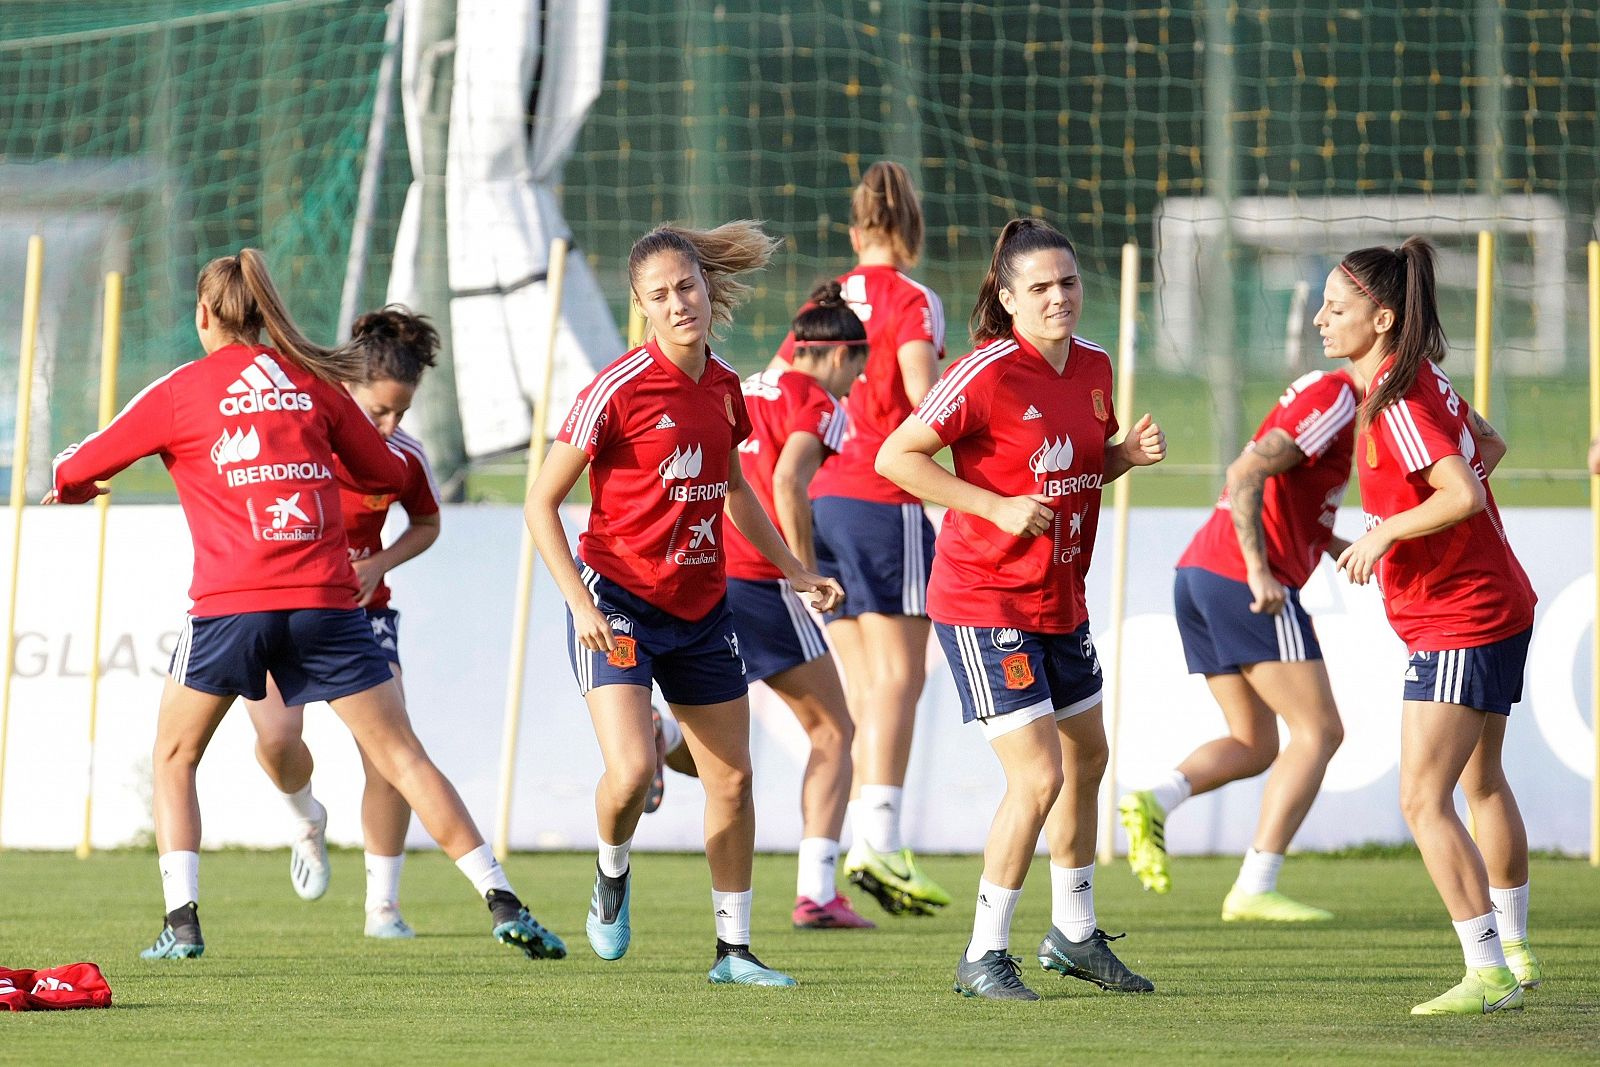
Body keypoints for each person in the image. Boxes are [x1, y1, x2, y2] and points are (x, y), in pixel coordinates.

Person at [48, 251, 564, 962]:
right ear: (264, 315)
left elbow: (80, 462)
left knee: (174, 755)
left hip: (232, 607)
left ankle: (184, 922)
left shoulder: (180, 391)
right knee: (402, 754)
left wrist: (74, 487)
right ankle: (502, 897)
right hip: (328, 602)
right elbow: (387, 470)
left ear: (204, 316)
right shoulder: (314, 387)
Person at [525, 222, 844, 986]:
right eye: (660, 295)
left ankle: (732, 951)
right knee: (633, 771)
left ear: (707, 289)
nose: (679, 304)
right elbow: (540, 503)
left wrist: (795, 568)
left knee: (731, 780)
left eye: (688, 287)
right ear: (641, 307)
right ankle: (612, 871)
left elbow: (735, 488)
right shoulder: (616, 388)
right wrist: (578, 603)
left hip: (705, 610)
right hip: (619, 600)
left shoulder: (726, 386)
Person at [877, 218, 1166, 1001]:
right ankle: (982, 952)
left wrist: (1122, 458)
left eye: (1067, 283)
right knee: (1037, 777)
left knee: (1088, 758)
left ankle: (1073, 933)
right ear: (1006, 298)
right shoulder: (984, 371)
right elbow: (895, 455)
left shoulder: (1097, 368)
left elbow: (1075, 470)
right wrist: (996, 508)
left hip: (1059, 599)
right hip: (983, 600)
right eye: (1038, 287)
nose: (1058, 298)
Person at [1325, 238, 1539, 1016]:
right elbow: (1490, 445)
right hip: (1494, 601)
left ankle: (1487, 971)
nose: (1321, 319)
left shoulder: (1397, 397)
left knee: (1422, 799)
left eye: (1337, 307)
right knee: (1479, 780)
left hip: (1463, 616)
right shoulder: (1426, 383)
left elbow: (1462, 490)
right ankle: (1514, 950)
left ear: (1381, 318)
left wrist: (1383, 533)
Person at [771, 161, 952, 917]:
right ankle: (882, 835)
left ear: (853, 231)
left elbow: (783, 384)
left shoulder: (824, 299)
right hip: (886, 495)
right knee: (900, 678)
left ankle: (827, 869)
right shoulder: (915, 299)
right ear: (911, 232)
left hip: (819, 496)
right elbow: (923, 395)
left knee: (856, 688)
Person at [1119, 366, 1356, 921]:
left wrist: (1358, 546)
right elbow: (1245, 470)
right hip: (1242, 578)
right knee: (1320, 730)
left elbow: (1294, 509)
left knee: (1254, 742)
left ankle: (1158, 799)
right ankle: (1255, 884)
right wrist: (1258, 570)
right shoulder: (1340, 397)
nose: (1324, 319)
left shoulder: (1323, 402)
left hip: (1198, 573)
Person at [241, 306, 444, 939]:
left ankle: (382, 904)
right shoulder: (297, 435)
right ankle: (305, 818)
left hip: (363, 617)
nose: (389, 426)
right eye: (378, 411)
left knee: (388, 756)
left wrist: (377, 563)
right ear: (346, 384)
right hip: (282, 607)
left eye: (400, 414)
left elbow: (428, 523)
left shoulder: (403, 458)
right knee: (277, 739)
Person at [725, 282, 873, 930]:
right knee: (835, 729)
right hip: (760, 578)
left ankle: (657, 732)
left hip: (704, 573)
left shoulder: (749, 386)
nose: (849, 393)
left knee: (712, 737)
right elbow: (786, 479)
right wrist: (805, 573)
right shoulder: (817, 402)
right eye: (854, 378)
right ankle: (816, 889)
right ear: (838, 356)